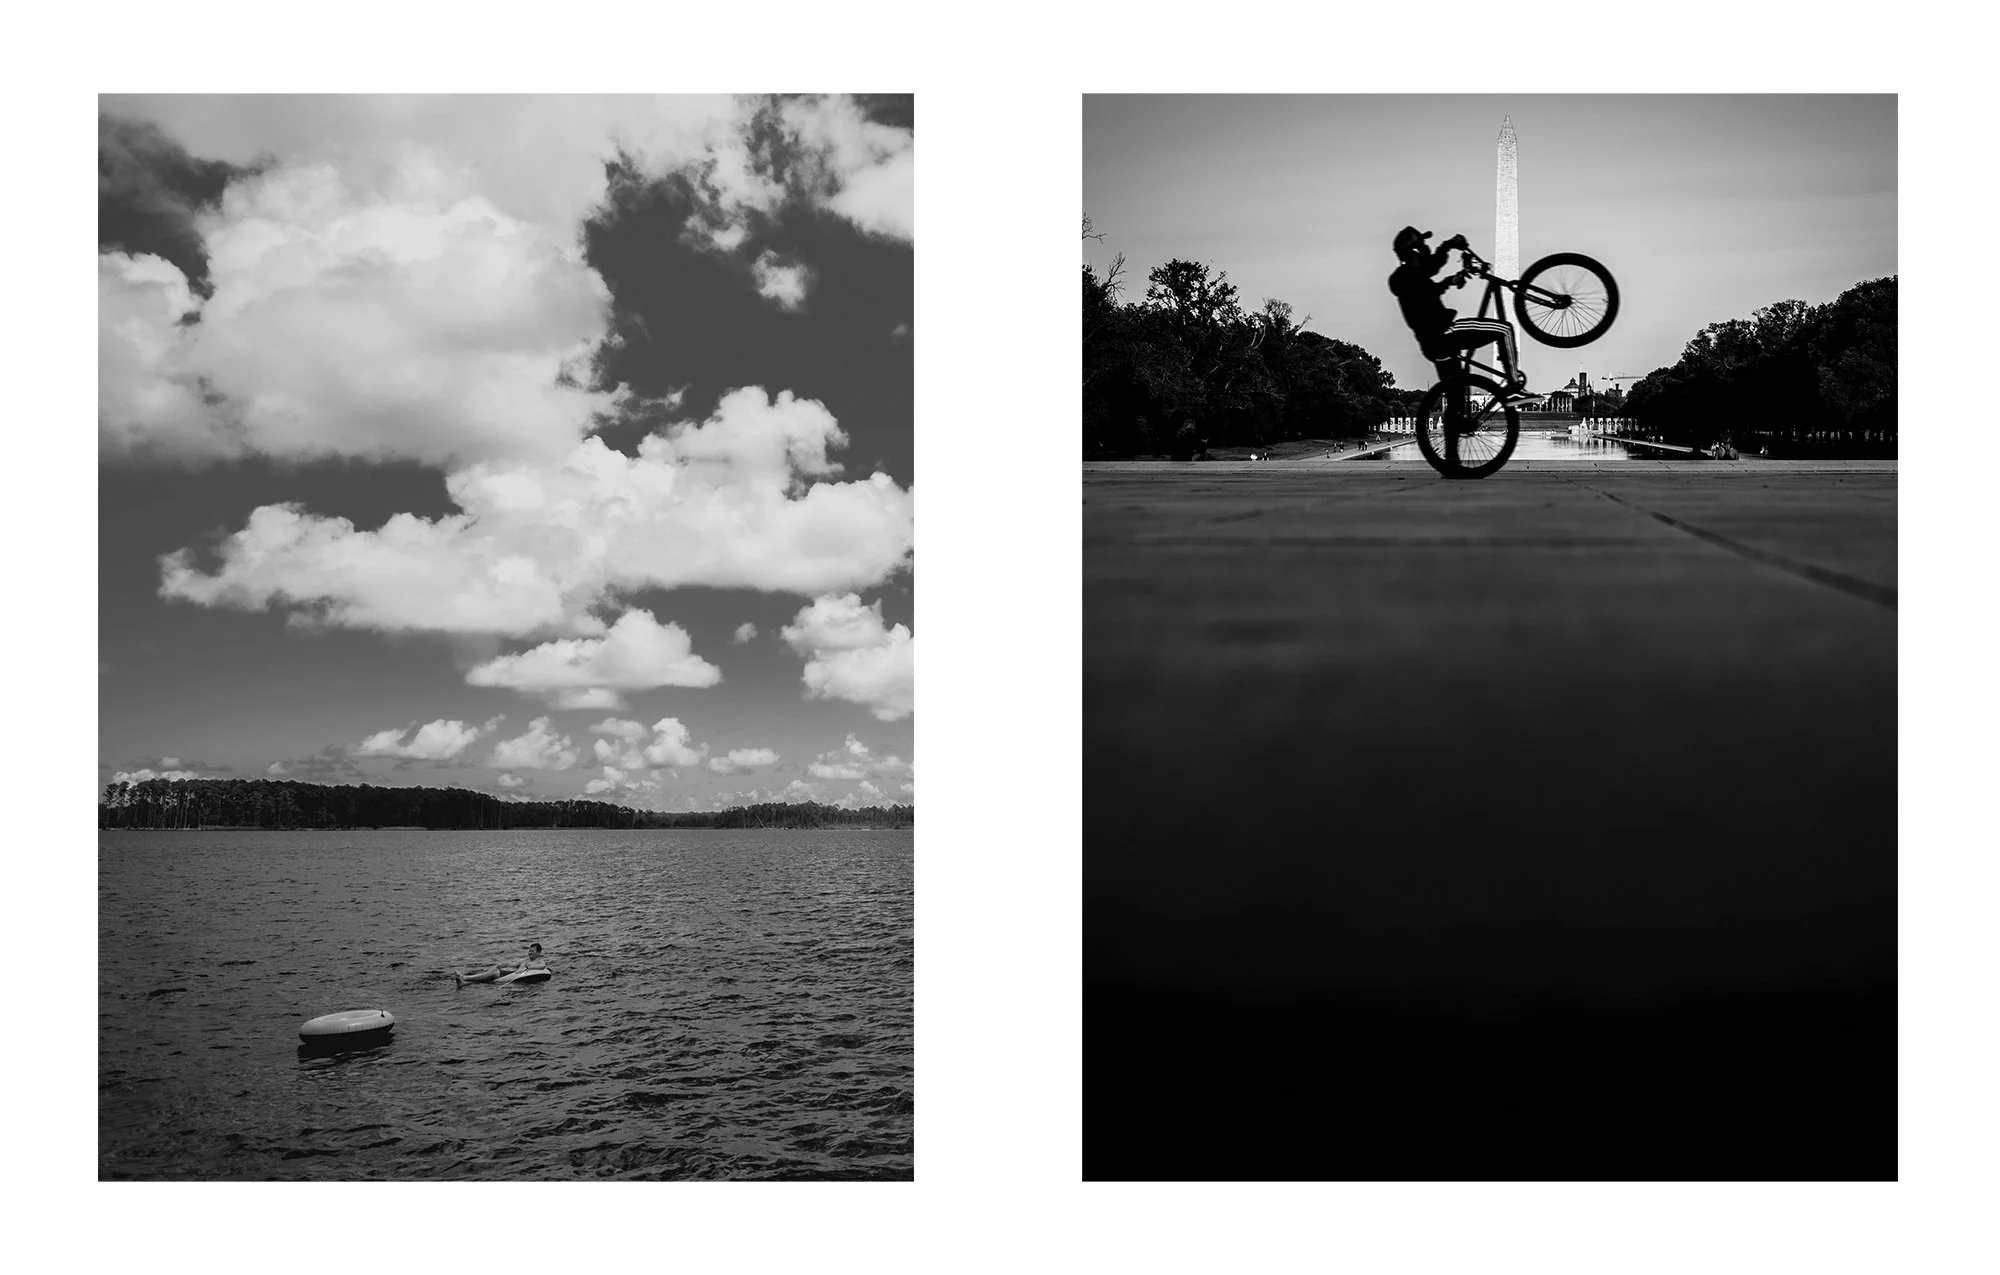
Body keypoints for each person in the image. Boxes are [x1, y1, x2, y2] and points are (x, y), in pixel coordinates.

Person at [1388, 226, 1541, 413]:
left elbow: (1428, 289)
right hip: (1445, 333)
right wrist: (1449, 245)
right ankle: (1514, 389)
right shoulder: (1409, 275)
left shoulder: (1409, 279)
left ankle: (1455, 433)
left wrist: (1452, 279)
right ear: (1414, 251)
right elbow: (1432, 268)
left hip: (1433, 346)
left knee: (1456, 404)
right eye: (1422, 245)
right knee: (1505, 329)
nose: (1426, 248)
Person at [454, 943, 545, 987]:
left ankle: (465, 977)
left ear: (538, 952)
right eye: (529, 950)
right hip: (509, 975)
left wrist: (530, 967)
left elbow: (542, 967)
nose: (529, 953)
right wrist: (500, 965)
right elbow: (511, 963)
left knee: (493, 973)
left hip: (514, 977)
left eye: (532, 951)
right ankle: (464, 983)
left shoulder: (540, 961)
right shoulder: (524, 960)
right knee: (488, 978)